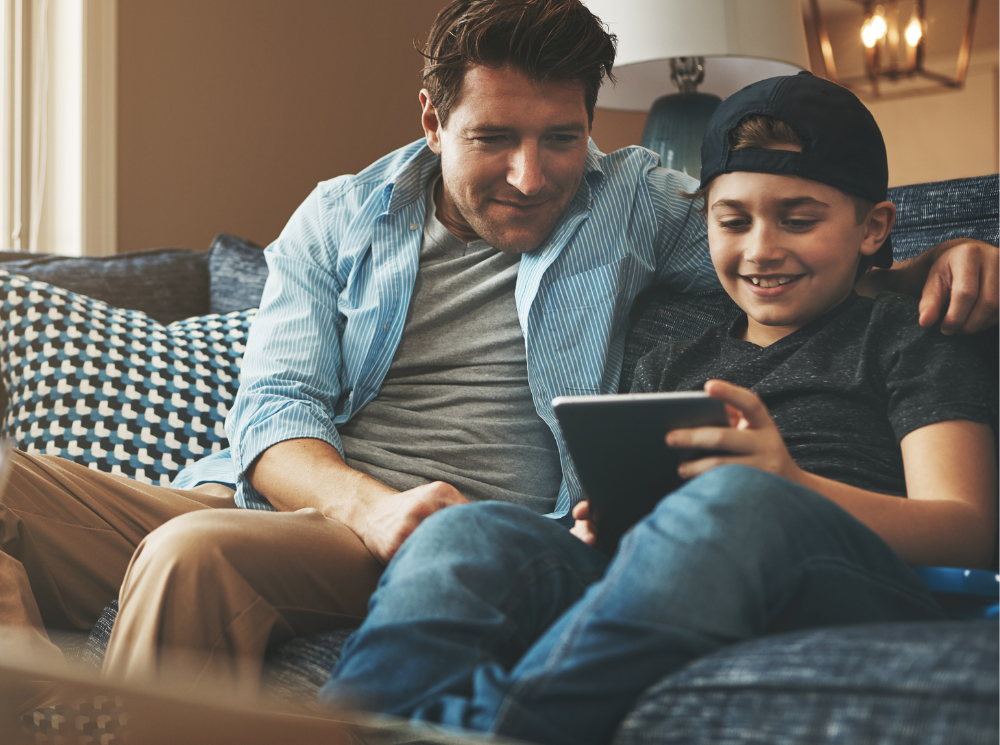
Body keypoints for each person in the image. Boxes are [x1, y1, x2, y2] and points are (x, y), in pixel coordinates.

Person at [0, 0, 995, 699]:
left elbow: (785, 245)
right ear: (432, 119)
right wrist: (368, 503)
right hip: (306, 501)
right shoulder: (339, 216)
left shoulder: (636, 203)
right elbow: (276, 414)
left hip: (459, 523)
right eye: (494, 139)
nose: (530, 174)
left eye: (561, 138)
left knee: (193, 554)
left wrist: (947, 252)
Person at [320, 72, 998, 745]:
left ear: (873, 227)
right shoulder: (671, 359)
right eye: (733, 221)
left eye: (799, 219)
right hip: (675, 577)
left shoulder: (906, 335)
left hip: (852, 576)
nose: (761, 248)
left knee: (736, 500)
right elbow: (621, 515)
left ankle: (507, 728)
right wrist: (604, 522)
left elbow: (968, 528)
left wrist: (792, 485)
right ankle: (340, 728)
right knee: (465, 534)